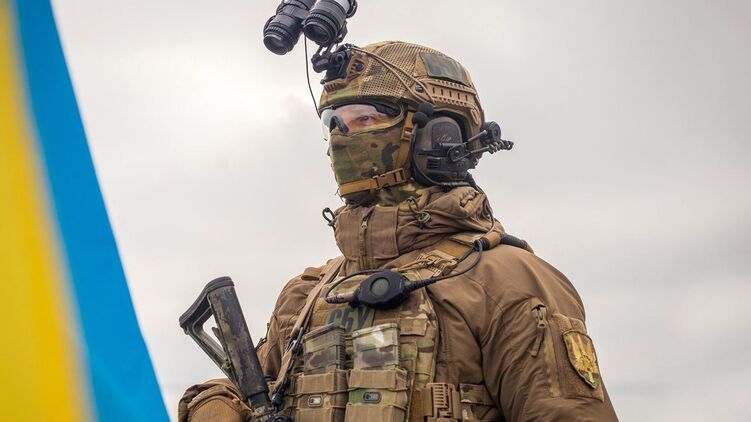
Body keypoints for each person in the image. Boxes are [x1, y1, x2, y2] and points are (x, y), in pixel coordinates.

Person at [179, 41, 619, 422]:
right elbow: (248, 386)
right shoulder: (310, 293)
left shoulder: (510, 282)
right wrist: (215, 405)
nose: (341, 137)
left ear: (440, 134)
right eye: (334, 122)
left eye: (365, 119)